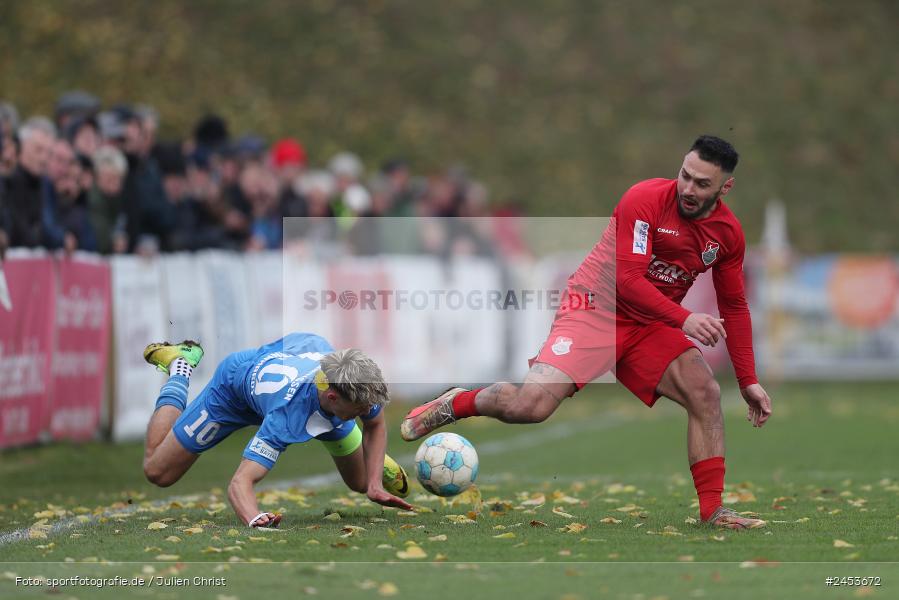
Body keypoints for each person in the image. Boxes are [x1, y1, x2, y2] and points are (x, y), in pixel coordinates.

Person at [400, 135, 773, 530]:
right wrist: (684, 319)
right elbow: (628, 279)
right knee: (531, 407)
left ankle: (713, 512)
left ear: (724, 188)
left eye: (702, 184)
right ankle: (457, 403)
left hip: (648, 325)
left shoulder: (728, 233)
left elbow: (734, 305)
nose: (688, 189)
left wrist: (748, 380)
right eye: (685, 176)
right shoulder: (644, 200)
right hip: (594, 309)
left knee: (705, 391)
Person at [141, 333, 413, 529]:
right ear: (332, 396)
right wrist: (255, 519)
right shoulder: (285, 418)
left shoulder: (355, 387)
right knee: (158, 471)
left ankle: (367, 455)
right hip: (232, 393)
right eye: (360, 409)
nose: (368, 411)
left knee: (362, 483)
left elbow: (374, 423)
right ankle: (180, 365)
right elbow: (240, 483)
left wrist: (375, 484)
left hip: (303, 353)